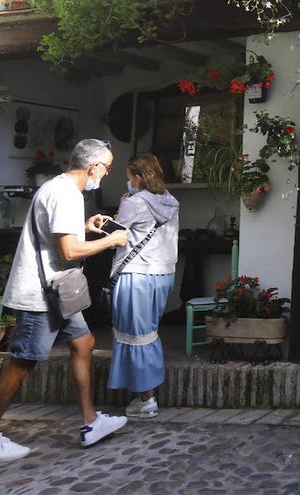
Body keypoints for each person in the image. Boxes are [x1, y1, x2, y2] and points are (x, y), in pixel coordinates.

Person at [0, 138, 130, 463]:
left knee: (84, 343)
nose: (107, 173)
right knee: (22, 363)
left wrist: (85, 227)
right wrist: (112, 240)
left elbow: (55, 237)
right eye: (107, 167)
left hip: (58, 291)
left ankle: (90, 422)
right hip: (42, 295)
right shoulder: (66, 194)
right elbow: (68, 251)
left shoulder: (59, 188)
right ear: (93, 166)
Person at [107, 153, 180, 420]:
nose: (129, 182)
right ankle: (146, 391)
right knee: (148, 333)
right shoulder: (171, 200)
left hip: (136, 274)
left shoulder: (135, 203)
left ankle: (146, 399)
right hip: (163, 274)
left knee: (134, 335)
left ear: (138, 177)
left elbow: (117, 236)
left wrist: (118, 208)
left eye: (129, 178)